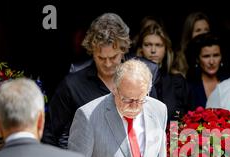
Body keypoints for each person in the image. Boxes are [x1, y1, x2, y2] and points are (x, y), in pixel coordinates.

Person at [43, 13, 158, 148]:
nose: (108, 64)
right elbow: (49, 134)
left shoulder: (142, 78)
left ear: (124, 50)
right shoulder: (72, 85)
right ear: (92, 52)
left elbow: (157, 122)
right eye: (101, 58)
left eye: (114, 57)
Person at [136, 22, 192, 123]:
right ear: (140, 49)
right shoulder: (131, 82)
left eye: (158, 45)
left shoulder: (177, 81)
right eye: (148, 45)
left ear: (166, 49)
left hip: (173, 136)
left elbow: (185, 117)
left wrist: (173, 138)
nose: (153, 50)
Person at [186, 32, 228, 107]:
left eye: (216, 55)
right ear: (197, 59)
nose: (211, 62)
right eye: (206, 56)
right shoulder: (190, 86)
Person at [173, 11, 211, 77]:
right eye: (198, 30)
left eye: (206, 30)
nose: (203, 34)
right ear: (189, 34)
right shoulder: (179, 59)